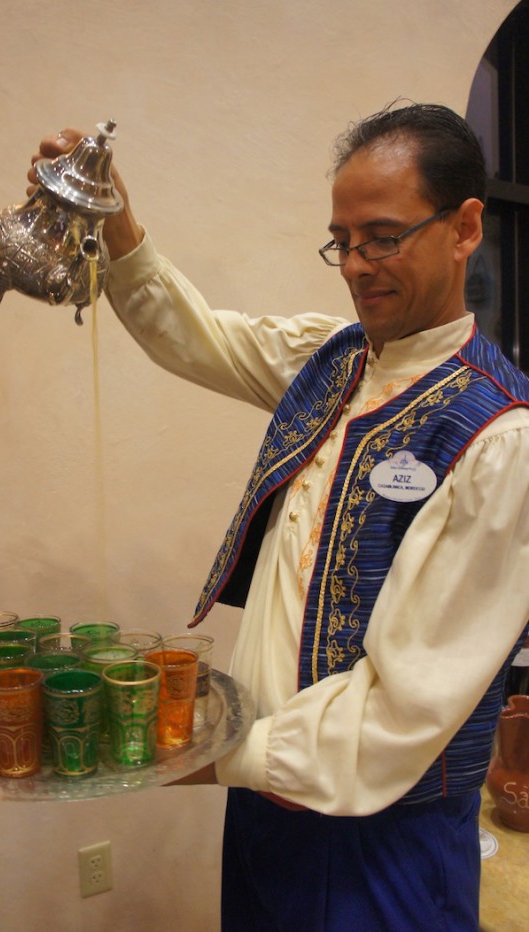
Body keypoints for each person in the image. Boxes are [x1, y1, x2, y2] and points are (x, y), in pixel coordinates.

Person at [31, 103, 529, 931]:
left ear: (466, 226)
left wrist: (193, 752)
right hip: (264, 804)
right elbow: (198, 340)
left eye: (385, 235)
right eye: (343, 239)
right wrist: (117, 226)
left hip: (385, 843)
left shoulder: (499, 439)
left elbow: (403, 709)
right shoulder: (332, 358)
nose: (358, 265)